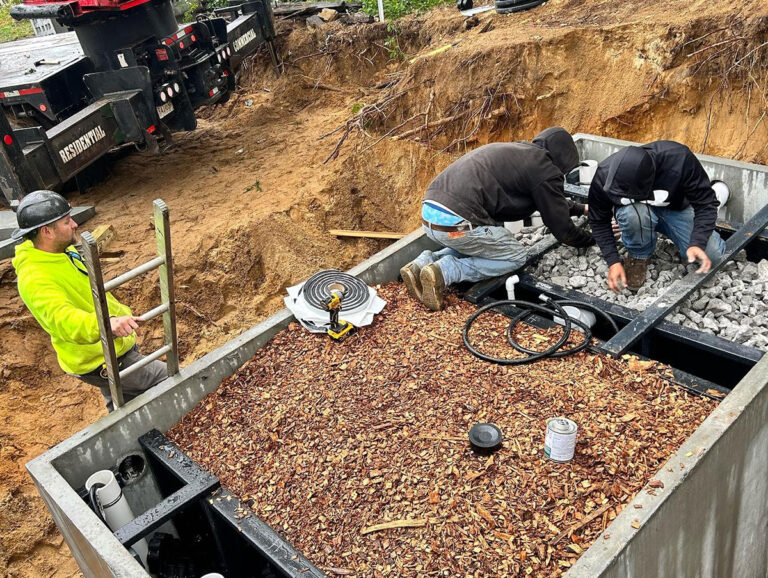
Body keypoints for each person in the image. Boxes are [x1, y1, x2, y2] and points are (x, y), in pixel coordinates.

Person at [400, 127, 593, 311]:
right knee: (515, 255)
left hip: (431, 218)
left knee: (477, 245)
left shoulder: (521, 154)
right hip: (458, 225)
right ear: (564, 157)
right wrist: (592, 239)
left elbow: (551, 202)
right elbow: (562, 229)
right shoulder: (545, 170)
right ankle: (448, 271)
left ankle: (422, 263)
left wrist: (581, 209)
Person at [11, 190, 167, 411]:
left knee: (123, 403)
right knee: (168, 376)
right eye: (66, 222)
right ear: (47, 231)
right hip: (98, 356)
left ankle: (126, 430)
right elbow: (64, 320)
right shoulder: (34, 277)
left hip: (107, 345)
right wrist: (107, 323)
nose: (75, 224)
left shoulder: (59, 252)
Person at [587, 141, 726, 293]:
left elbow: (706, 203)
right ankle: (639, 255)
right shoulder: (603, 175)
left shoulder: (679, 160)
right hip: (637, 214)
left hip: (675, 210)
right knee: (632, 214)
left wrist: (697, 242)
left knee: (712, 256)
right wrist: (613, 261)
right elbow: (598, 220)